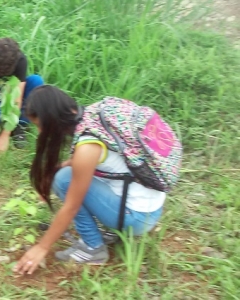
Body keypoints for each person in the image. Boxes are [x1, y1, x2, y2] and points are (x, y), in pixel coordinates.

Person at [14, 85, 168, 274]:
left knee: (63, 180)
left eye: (39, 125)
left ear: (51, 120)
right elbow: (99, 158)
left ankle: (92, 247)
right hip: (152, 205)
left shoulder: (86, 148)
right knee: (64, 173)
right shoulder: (96, 114)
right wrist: (57, 168)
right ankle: (113, 228)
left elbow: (71, 207)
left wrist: (42, 247)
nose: (39, 132)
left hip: (137, 217)